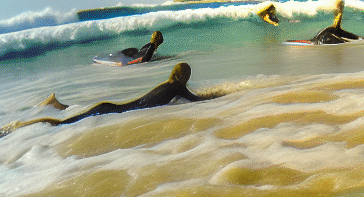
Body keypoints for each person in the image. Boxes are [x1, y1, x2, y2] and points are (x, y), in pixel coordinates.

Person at [4, 64, 211, 135]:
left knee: (63, 124)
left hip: (108, 109)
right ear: (184, 76)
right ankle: (18, 126)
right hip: (111, 111)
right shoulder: (178, 88)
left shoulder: (168, 86)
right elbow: (198, 101)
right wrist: (224, 94)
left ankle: (23, 124)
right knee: (59, 126)